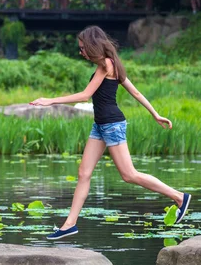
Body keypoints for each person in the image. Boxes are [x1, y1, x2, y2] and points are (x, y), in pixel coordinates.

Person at [30, 26, 192, 240]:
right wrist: (155, 114)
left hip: (112, 125)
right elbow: (134, 91)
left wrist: (50, 100)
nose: (81, 53)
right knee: (83, 173)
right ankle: (69, 224)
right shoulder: (109, 64)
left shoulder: (106, 64)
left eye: (82, 48)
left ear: (92, 46)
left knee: (129, 175)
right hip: (100, 125)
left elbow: (86, 95)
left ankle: (179, 197)